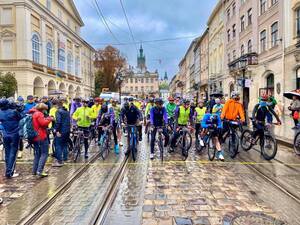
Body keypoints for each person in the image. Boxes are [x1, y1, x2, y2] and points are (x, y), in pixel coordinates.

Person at [0, 99, 22, 178]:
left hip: (5, 134)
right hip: (14, 134)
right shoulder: (13, 112)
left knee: (7, 153)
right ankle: (10, 172)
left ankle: (8, 170)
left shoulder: (0, 112)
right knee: (13, 153)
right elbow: (21, 117)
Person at [30, 103, 53, 177]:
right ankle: (40, 171)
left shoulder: (33, 113)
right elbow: (43, 123)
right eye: (45, 110)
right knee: (44, 154)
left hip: (35, 136)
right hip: (41, 136)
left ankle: (34, 170)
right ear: (42, 109)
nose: (45, 111)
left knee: (37, 154)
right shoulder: (39, 114)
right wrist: (49, 119)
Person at [52, 99, 71, 166]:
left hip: (61, 130)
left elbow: (58, 122)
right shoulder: (66, 111)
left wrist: (56, 130)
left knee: (58, 145)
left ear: (57, 105)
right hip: (67, 130)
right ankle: (65, 158)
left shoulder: (58, 111)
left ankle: (59, 161)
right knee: (65, 145)